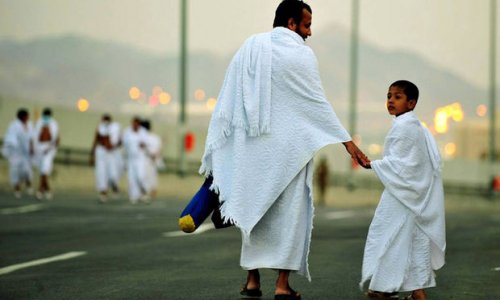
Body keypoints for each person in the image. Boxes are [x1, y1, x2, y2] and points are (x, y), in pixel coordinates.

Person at [198, 1, 369, 299]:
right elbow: (315, 103)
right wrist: (347, 142)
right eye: (306, 25)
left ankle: (252, 282)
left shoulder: (250, 47)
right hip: (290, 152)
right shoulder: (301, 55)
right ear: (291, 23)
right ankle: (281, 285)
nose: (310, 32)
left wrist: (231, 146)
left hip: (252, 151)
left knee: (252, 213)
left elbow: (230, 98)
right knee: (290, 217)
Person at [360, 80, 446, 300]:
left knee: (389, 234)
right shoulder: (413, 125)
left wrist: (374, 164)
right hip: (412, 194)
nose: (390, 100)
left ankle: (384, 288)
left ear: (411, 103)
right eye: (389, 96)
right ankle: (417, 291)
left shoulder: (406, 127)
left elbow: (403, 165)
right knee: (413, 239)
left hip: (403, 194)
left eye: (397, 97)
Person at [2, 108, 35, 198]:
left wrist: (32, 147)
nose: (28, 118)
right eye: (27, 116)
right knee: (15, 171)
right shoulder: (14, 125)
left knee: (27, 171)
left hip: (26, 153)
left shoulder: (30, 125)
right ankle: (17, 189)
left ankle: (29, 186)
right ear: (23, 117)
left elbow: (32, 137)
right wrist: (12, 146)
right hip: (15, 153)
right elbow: (10, 137)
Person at [90, 114, 123, 202]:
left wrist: (113, 145)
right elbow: (96, 140)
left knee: (113, 174)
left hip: (112, 153)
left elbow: (120, 141)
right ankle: (103, 192)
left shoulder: (115, 128)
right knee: (101, 173)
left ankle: (114, 186)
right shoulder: (100, 128)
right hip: (101, 153)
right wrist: (92, 155)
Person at [33, 108, 59, 200]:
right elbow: (35, 136)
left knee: (45, 168)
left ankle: (40, 189)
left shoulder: (54, 124)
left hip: (49, 149)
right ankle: (47, 189)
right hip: (39, 148)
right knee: (42, 170)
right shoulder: (38, 122)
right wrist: (34, 148)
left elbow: (56, 138)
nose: (46, 117)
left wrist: (52, 148)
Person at [122, 116, 149, 204]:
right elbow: (124, 144)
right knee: (131, 177)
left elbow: (146, 143)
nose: (135, 125)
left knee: (140, 176)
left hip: (140, 158)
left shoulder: (143, 132)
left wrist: (142, 144)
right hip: (130, 158)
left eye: (136, 123)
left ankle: (144, 191)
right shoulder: (127, 131)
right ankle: (134, 195)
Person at [141, 119, 164, 200]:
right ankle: (152, 192)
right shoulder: (155, 137)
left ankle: (146, 193)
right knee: (152, 176)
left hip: (145, 160)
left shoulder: (142, 137)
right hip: (153, 160)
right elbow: (159, 149)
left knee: (145, 176)